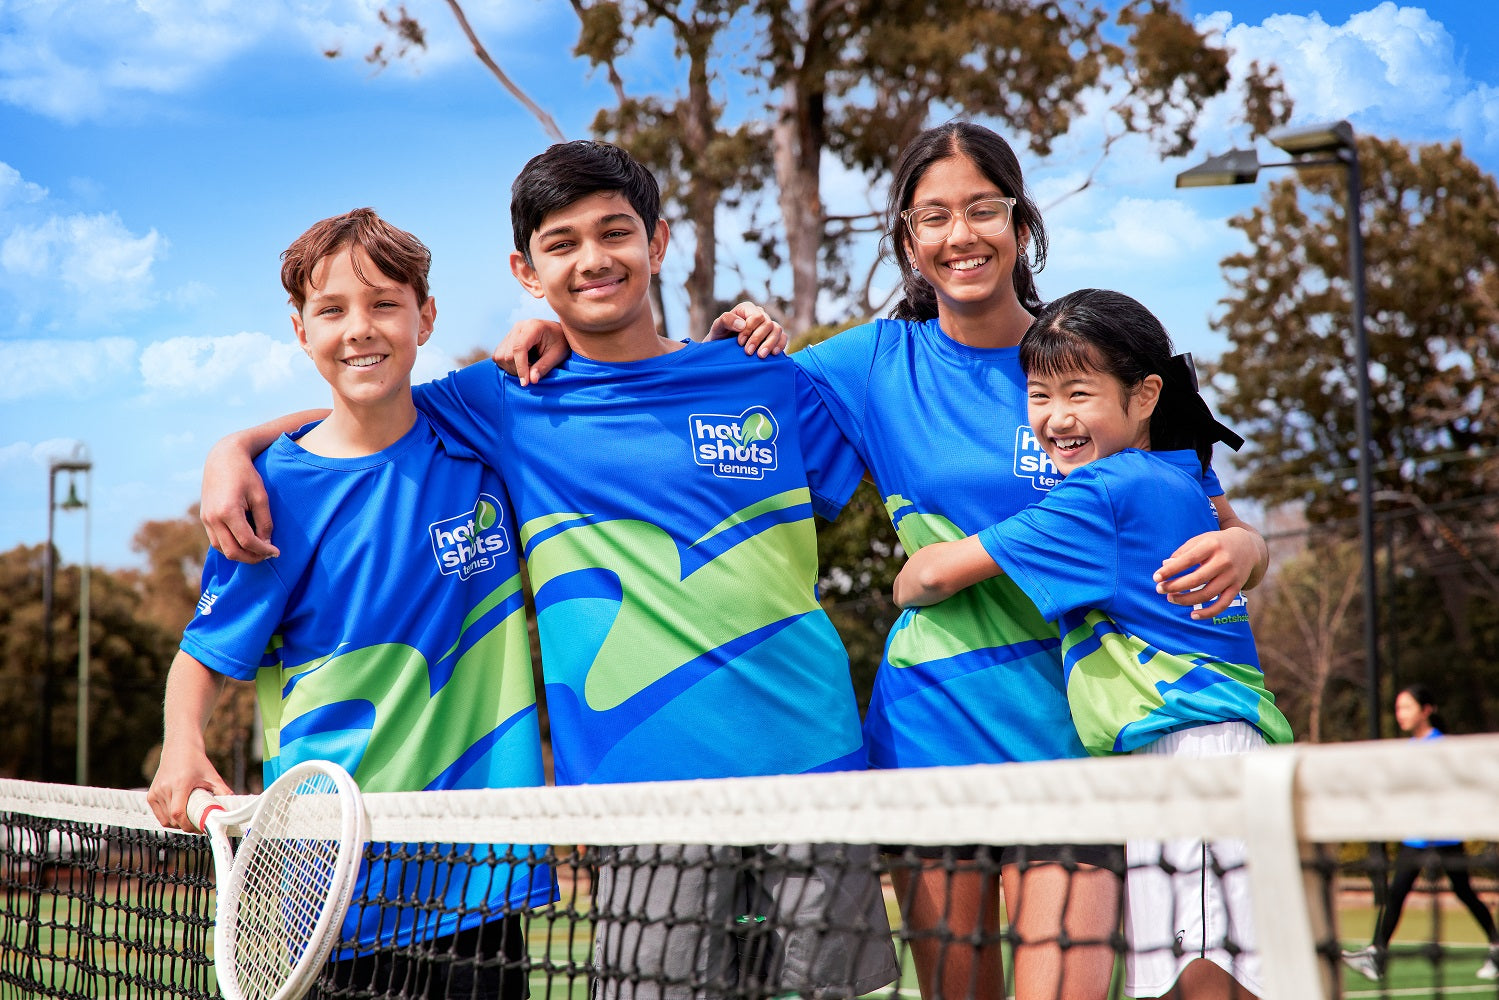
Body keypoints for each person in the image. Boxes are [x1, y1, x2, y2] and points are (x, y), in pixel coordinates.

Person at [495, 121, 1270, 1000]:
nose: (959, 234)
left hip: (1075, 738)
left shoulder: (1092, 352)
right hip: (931, 729)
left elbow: (1211, 526)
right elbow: (696, 390)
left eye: (983, 209)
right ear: (907, 239)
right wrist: (556, 334)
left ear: (1021, 225)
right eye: (932, 216)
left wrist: (1246, 549)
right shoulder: (866, 363)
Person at [197, 141, 898, 1000]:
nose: (594, 259)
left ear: (661, 241)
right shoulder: (504, 401)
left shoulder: (767, 381)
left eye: (616, 233)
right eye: (561, 243)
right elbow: (368, 403)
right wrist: (234, 446)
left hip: (815, 768)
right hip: (638, 805)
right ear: (526, 271)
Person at [147, 208, 554, 999]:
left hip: (479, 878)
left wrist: (551, 324)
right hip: (331, 890)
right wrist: (178, 744)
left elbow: (591, 358)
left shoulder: (476, 423)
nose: (360, 329)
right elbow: (202, 655)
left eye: (384, 304)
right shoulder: (273, 496)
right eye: (331, 310)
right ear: (301, 331)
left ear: (425, 317)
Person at [893, 287, 1292, 1000]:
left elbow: (925, 578)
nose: (1056, 417)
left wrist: (917, 557)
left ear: (1144, 397)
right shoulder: (1178, 472)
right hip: (1195, 756)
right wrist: (1248, 542)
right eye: (1039, 396)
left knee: (1204, 985)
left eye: (1078, 392)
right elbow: (1240, 538)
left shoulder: (1098, 494)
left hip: (1190, 758)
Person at [1342, 684, 1499, 982]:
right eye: (1398, 708)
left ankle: (1496, 945)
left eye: (1406, 707)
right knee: (1396, 892)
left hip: (1444, 834)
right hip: (1416, 836)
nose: (1400, 714)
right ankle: (1377, 955)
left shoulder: (1442, 745)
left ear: (1426, 710)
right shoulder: (1408, 748)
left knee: (1463, 891)